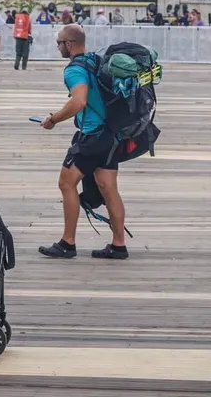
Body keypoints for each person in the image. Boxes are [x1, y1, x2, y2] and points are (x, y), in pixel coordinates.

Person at [38, 25, 128, 260]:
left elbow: (79, 101)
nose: (57, 46)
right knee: (109, 188)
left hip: (92, 136)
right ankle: (119, 245)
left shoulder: (74, 70)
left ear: (69, 44)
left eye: (59, 42)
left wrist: (53, 120)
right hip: (111, 134)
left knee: (66, 183)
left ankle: (68, 243)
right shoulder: (95, 61)